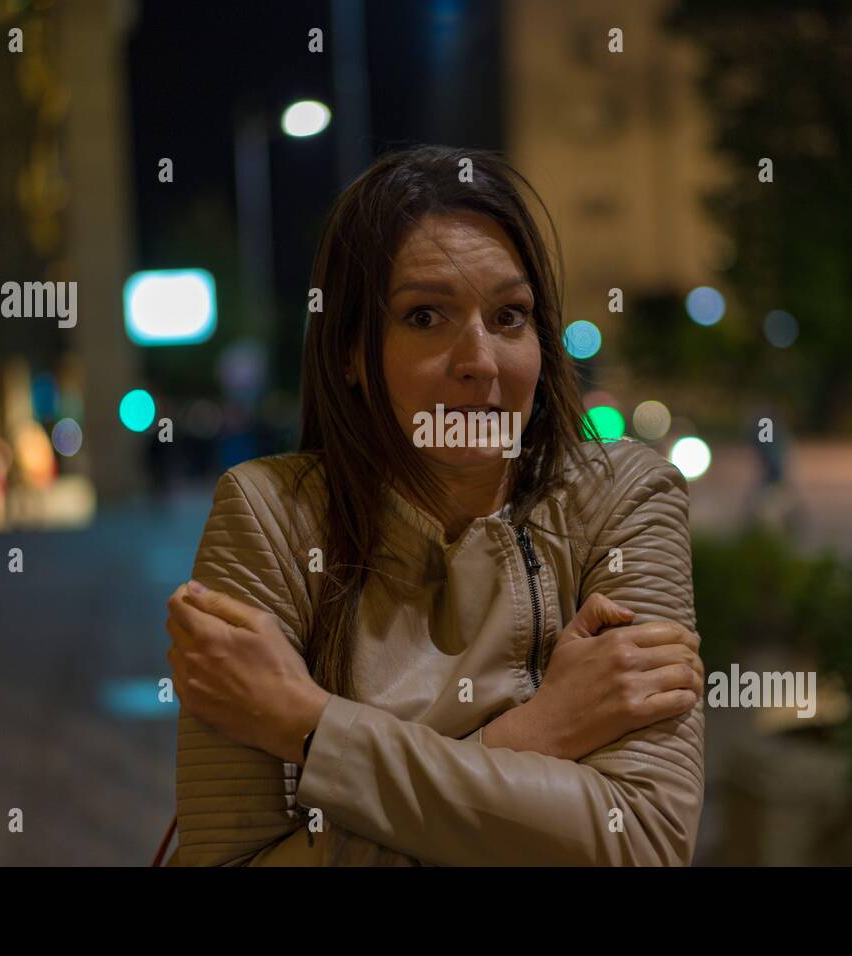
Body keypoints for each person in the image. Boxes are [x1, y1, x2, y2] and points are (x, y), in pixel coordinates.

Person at [162, 145, 706, 866]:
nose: (478, 357)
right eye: (425, 317)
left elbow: (640, 842)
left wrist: (308, 726)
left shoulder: (624, 498)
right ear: (352, 351)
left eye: (510, 316)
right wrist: (537, 735)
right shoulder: (269, 518)